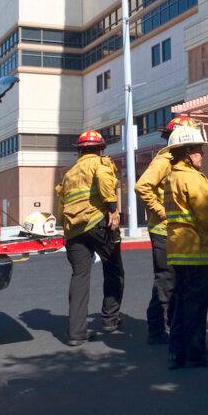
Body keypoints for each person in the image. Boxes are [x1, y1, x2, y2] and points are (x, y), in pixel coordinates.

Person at [162, 122, 208, 369]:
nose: (202, 154)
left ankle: (176, 353)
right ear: (187, 152)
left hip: (178, 248)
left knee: (181, 302)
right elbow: (206, 213)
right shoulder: (193, 178)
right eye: (198, 149)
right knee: (197, 304)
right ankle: (197, 353)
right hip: (195, 248)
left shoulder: (172, 177)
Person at [134, 114, 198, 345]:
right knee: (166, 280)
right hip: (163, 231)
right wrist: (161, 212)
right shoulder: (165, 160)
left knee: (177, 281)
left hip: (177, 232)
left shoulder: (182, 162)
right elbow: (142, 186)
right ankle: (156, 329)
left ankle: (172, 324)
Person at [56, 129, 124, 346]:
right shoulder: (100, 163)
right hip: (98, 224)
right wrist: (112, 208)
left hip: (74, 230)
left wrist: (66, 229)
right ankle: (110, 319)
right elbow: (104, 181)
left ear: (79, 150)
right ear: (101, 148)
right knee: (113, 268)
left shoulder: (69, 174)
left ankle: (76, 334)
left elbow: (61, 206)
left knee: (80, 276)